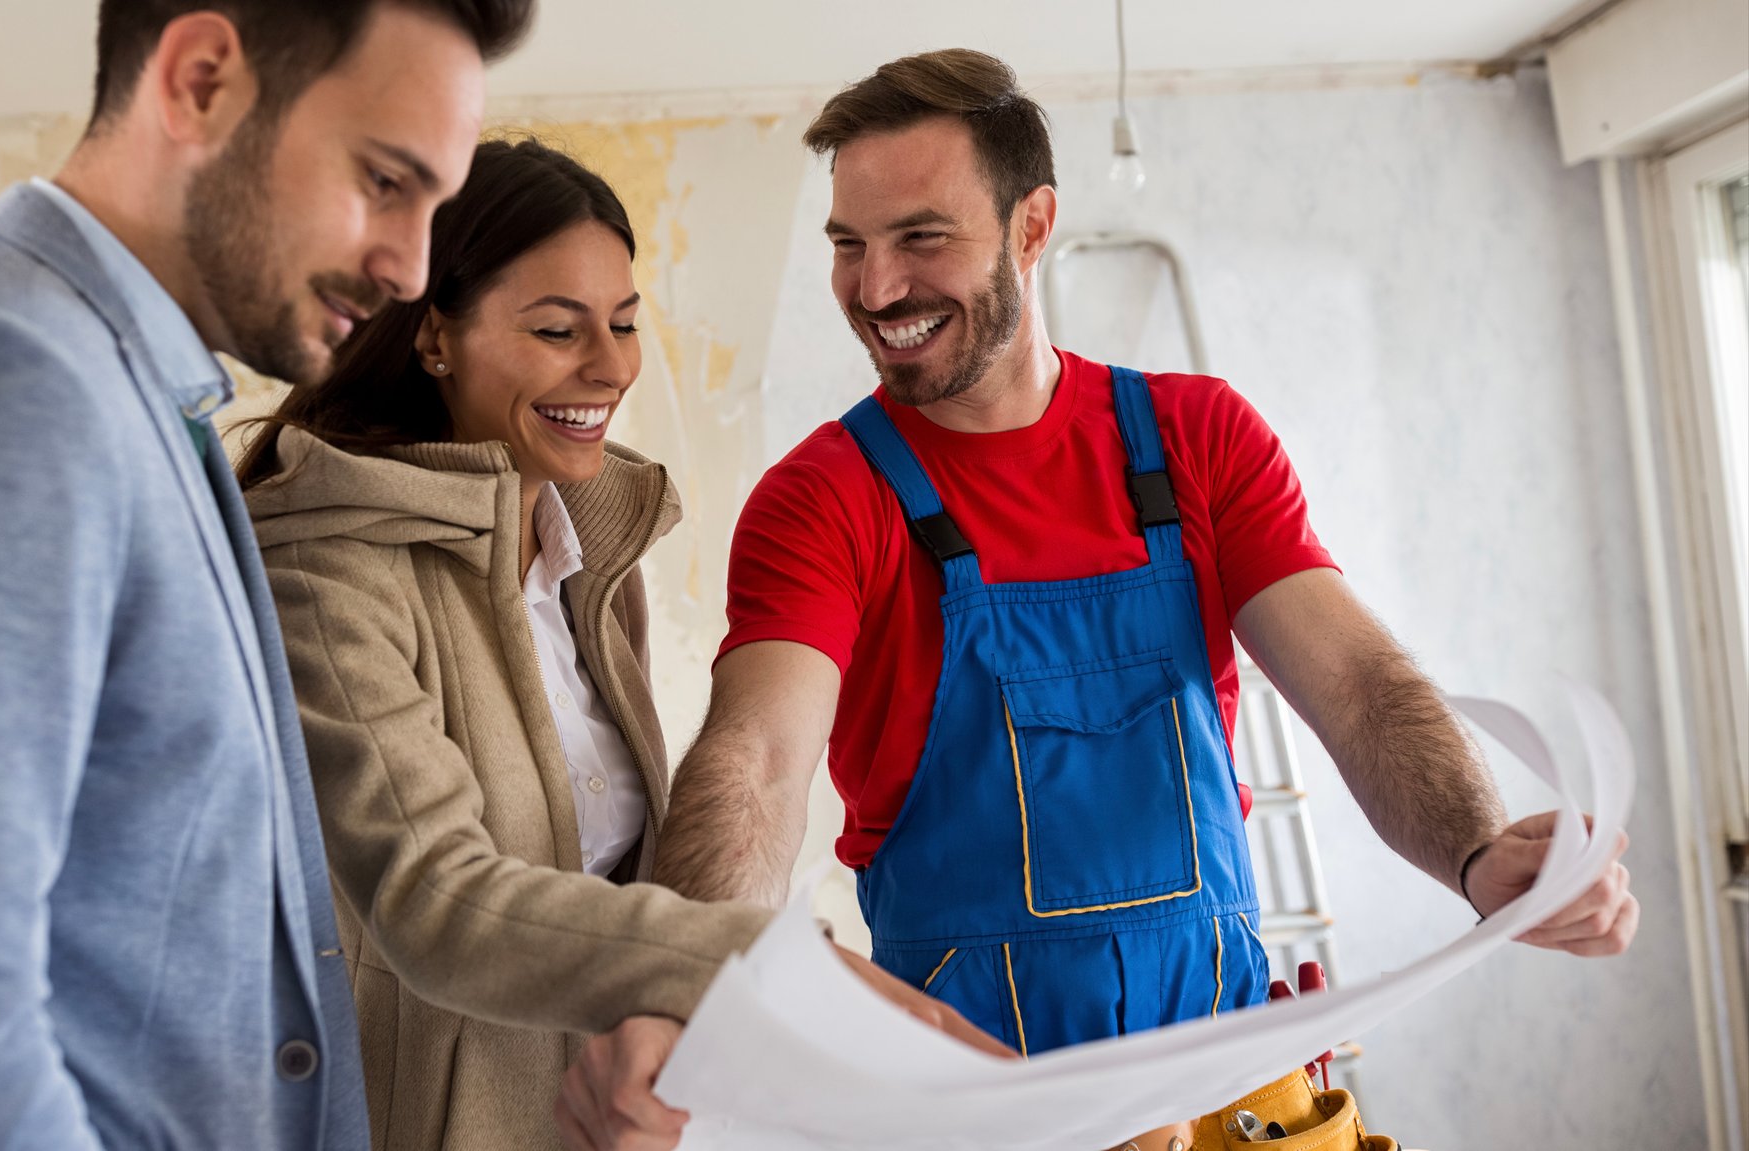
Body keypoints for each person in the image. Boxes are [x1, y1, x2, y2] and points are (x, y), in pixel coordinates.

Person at [559, 48, 1639, 1148]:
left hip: (1235, 1107)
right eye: (848, 245)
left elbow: (1358, 687)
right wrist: (683, 989)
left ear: (1031, 227)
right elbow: (755, 757)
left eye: (920, 238)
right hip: (980, 1121)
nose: (874, 290)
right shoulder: (825, 497)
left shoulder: (1196, 440)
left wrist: (1477, 849)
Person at [0, 1, 532, 1146]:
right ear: (201, 80)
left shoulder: (138, 397)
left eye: (433, 207)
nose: (407, 269)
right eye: (383, 180)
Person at [236, 137, 1005, 1151]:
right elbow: (434, 900)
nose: (610, 366)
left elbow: (606, 885)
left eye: (626, 323)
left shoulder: (588, 556)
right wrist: (749, 959)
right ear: (434, 339)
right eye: (558, 329)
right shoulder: (326, 577)